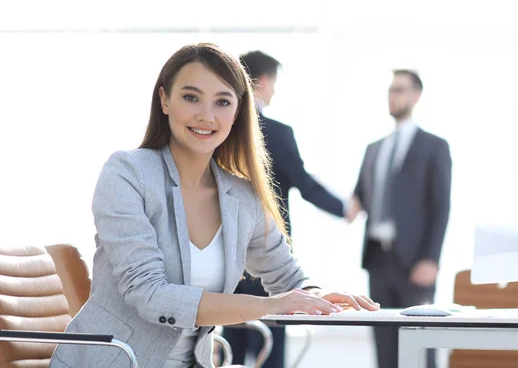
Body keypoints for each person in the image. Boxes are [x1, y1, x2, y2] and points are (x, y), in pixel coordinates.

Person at [49, 43, 379, 368]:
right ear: (164, 99)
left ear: (237, 112)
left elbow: (287, 277)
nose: (206, 116)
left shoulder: (241, 194)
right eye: (191, 97)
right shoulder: (128, 174)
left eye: (222, 102)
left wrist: (317, 296)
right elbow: (149, 294)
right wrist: (270, 305)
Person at [222, 50, 349, 368]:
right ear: (263, 82)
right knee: (272, 342)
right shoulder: (276, 132)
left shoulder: (219, 132)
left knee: (231, 343)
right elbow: (305, 184)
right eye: (274, 83)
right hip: (269, 253)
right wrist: (344, 208)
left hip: (228, 254)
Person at [347, 70, 452, 368]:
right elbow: (359, 197)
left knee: (422, 344)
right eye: (390, 90)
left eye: (400, 90)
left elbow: (441, 206)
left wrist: (431, 258)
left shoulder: (434, 146)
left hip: (415, 260)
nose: (392, 96)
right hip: (378, 258)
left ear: (416, 95)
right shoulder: (374, 149)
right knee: (384, 345)